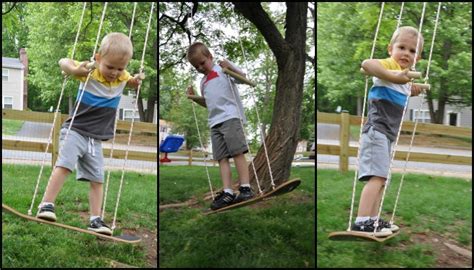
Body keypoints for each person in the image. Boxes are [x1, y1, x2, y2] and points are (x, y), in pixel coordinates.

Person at [36, 32, 143, 235]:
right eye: (110, 67)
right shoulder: (88, 73)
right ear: (98, 58)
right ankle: (46, 205)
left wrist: (134, 81)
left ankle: (95, 219)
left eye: (120, 68)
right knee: (64, 165)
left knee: (97, 179)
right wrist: (75, 68)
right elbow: (63, 62)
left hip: (96, 139)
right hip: (75, 130)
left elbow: (128, 80)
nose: (114, 72)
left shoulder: (122, 75)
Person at [355, 26, 424, 236]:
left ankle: (373, 220)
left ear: (417, 58)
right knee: (376, 176)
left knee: (382, 178)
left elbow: (395, 92)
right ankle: (362, 220)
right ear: (390, 49)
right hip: (376, 130)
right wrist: (394, 77)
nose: (406, 53)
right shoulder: (389, 66)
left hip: (386, 135)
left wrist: (409, 90)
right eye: (401, 47)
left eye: (412, 51)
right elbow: (367, 64)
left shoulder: (404, 76)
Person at [185, 41, 254, 210]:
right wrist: (194, 98)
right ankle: (228, 192)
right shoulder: (203, 82)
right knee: (221, 158)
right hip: (214, 122)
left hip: (230, 117)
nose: (200, 67)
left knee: (237, 152)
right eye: (196, 66)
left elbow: (244, 78)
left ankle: (246, 188)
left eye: (202, 62)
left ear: (210, 56)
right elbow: (208, 103)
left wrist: (230, 65)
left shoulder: (223, 71)